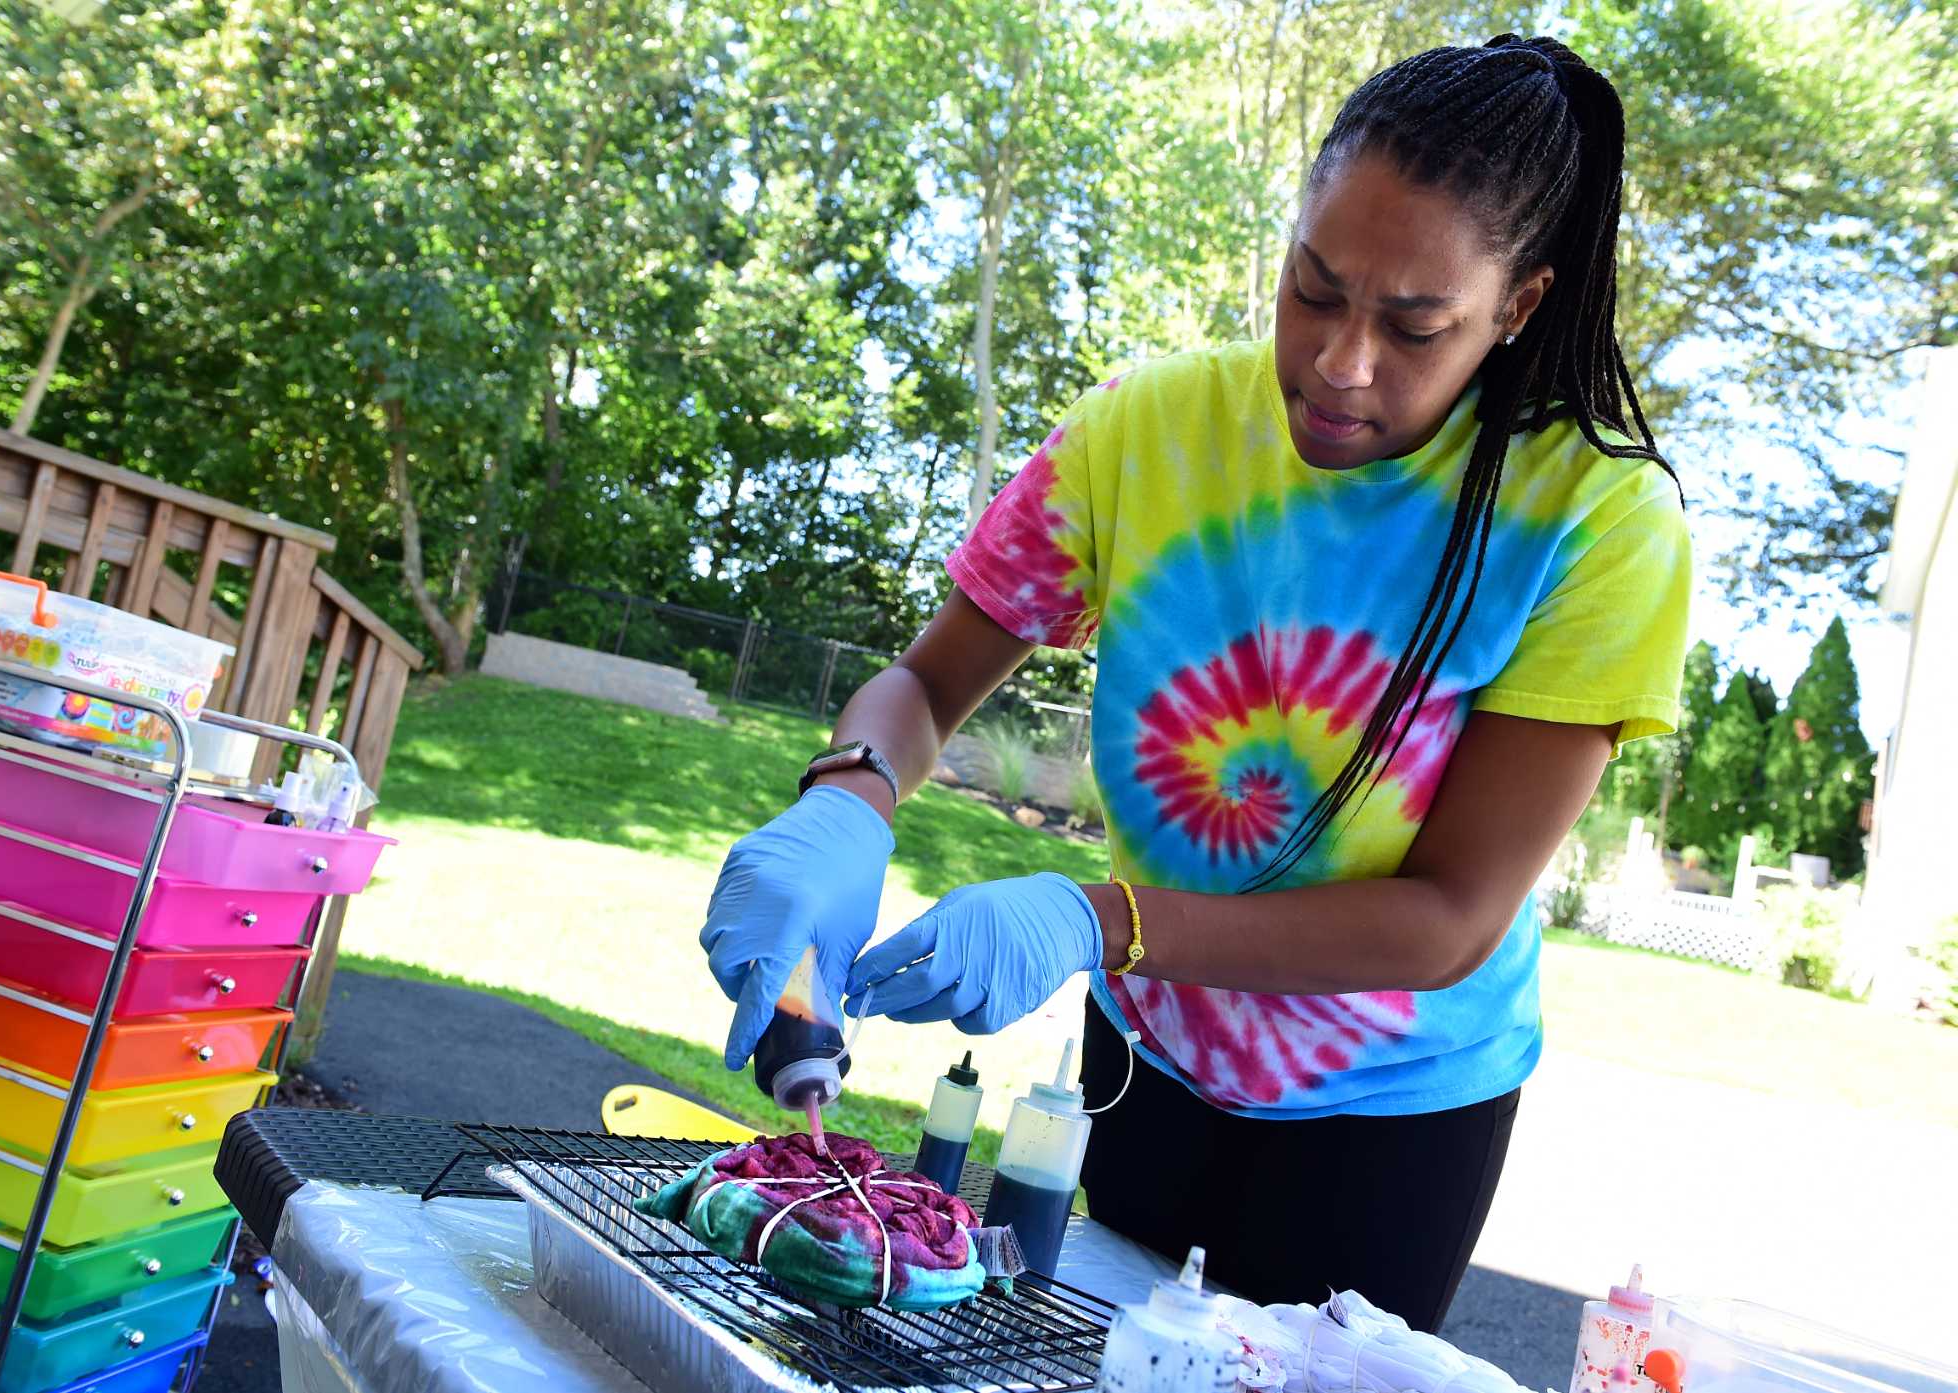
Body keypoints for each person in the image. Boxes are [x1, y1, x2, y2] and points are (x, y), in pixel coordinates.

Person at [698, 34, 1690, 1332]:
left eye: (1414, 325)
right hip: (1146, 1060)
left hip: (1393, 1115)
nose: (1341, 362)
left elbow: (1448, 916)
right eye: (1315, 289)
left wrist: (1096, 919)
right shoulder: (1140, 429)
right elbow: (927, 687)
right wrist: (847, 794)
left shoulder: (1599, 524)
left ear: (1518, 306)